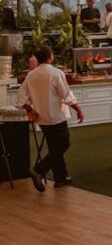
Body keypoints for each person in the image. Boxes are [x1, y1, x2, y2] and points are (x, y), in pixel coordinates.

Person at [17, 46, 84, 191]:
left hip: (42, 117)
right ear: (50, 57)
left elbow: (21, 94)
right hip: (56, 116)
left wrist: (29, 109)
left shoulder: (31, 75)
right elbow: (66, 94)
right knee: (63, 144)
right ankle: (39, 170)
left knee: (55, 147)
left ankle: (61, 178)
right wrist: (78, 109)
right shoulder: (56, 73)